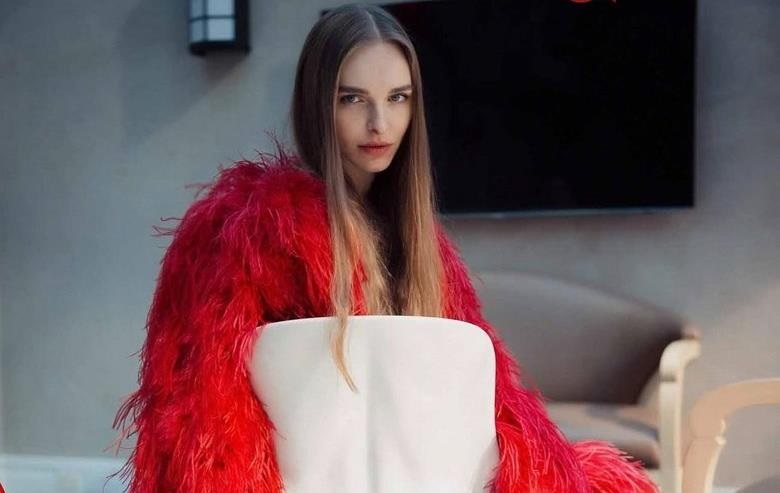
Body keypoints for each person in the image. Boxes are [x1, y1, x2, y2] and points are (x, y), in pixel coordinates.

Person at [112, 3, 658, 492]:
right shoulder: (249, 234)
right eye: (353, 99)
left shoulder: (422, 248)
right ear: (317, 104)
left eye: (397, 99)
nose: (380, 124)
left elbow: (485, 408)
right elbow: (202, 414)